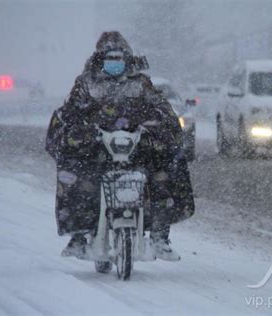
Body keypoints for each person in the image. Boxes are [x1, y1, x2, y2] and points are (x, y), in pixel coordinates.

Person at [45, 31, 195, 261]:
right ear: (100, 58)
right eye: (109, 58)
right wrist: (77, 131)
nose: (115, 63)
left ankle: (160, 234)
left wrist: (159, 126)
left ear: (127, 58)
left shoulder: (141, 83)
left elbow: (162, 108)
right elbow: (70, 111)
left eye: (119, 58)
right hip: (95, 150)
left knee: (168, 168)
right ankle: (78, 235)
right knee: (75, 175)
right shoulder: (86, 83)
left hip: (138, 148)